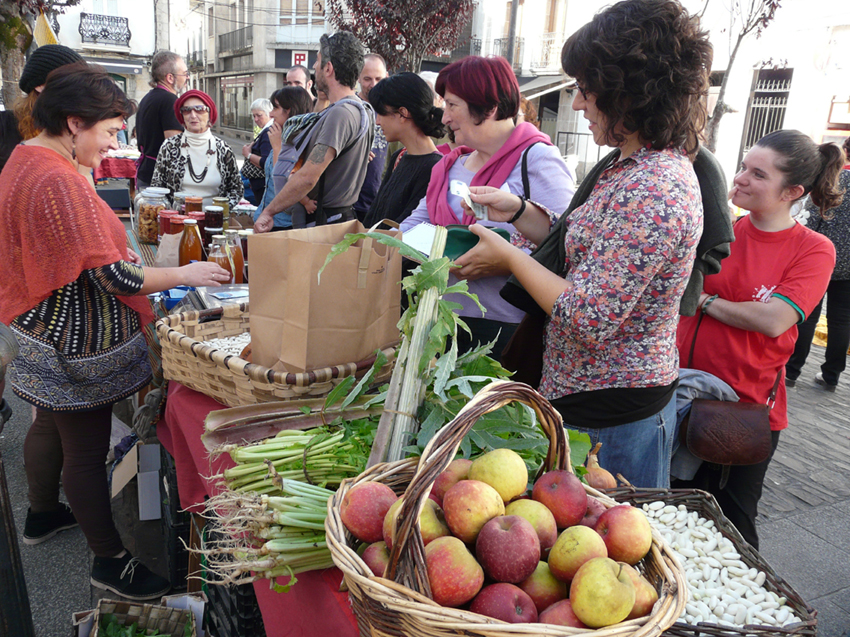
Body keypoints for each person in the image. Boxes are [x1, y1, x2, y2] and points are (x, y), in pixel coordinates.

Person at [458, 0, 713, 489]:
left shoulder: (654, 185)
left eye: (585, 90)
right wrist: (516, 211)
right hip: (585, 397)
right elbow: (590, 246)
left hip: (611, 416)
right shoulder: (626, 164)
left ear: (628, 92)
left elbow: (587, 318)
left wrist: (509, 255)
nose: (576, 104)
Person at [0, 63, 230, 600]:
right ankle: (110, 560)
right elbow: (115, 274)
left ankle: (46, 516)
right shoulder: (57, 178)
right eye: (107, 133)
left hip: (40, 330)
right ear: (74, 122)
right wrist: (186, 273)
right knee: (82, 452)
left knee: (61, 433)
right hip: (70, 342)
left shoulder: (27, 157)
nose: (112, 146)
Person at [674, 129, 842, 549]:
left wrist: (704, 301)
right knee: (672, 513)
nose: (741, 178)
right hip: (678, 394)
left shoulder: (814, 249)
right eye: (744, 167)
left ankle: (755, 613)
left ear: (793, 191)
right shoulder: (721, 230)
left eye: (758, 174)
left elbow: (774, 320)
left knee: (733, 526)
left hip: (744, 410)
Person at [400, 55, 575, 356]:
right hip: (441, 321)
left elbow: (568, 246)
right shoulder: (449, 165)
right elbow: (415, 227)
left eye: (452, 105)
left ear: (490, 108)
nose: (444, 118)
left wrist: (505, 259)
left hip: (506, 329)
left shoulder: (537, 160)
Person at [254, 31, 375, 231]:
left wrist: (269, 211)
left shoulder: (341, 114)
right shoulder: (361, 109)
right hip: (332, 222)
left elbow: (308, 177)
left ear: (328, 68)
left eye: (317, 61)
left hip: (324, 226)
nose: (314, 67)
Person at [785, 136, 850, 392]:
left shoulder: (835, 179)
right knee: (841, 320)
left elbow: (813, 217)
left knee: (807, 314)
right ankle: (831, 376)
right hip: (849, 266)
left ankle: (791, 371)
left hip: (820, 257)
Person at [362, 73, 445, 227]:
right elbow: (376, 212)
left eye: (381, 113)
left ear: (403, 113)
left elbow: (407, 226)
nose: (377, 121)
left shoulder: (435, 168)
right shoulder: (399, 156)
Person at [150, 89, 243, 209]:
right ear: (182, 116)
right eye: (186, 110)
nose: (193, 115)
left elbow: (236, 189)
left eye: (199, 109)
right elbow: (157, 186)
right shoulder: (169, 146)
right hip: (178, 220)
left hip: (214, 221)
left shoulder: (223, 149)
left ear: (210, 114)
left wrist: (220, 211)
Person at [255, 86, 315, 230]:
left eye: (275, 108)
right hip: (266, 220)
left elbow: (283, 181)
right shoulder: (281, 135)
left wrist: (277, 148)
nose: (271, 113)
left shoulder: (300, 142)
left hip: (282, 225)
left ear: (288, 110)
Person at [135, 51, 188, 191]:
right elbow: (173, 147)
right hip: (160, 180)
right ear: (170, 78)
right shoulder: (170, 101)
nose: (187, 78)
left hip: (146, 172)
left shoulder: (148, 97)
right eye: (184, 74)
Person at [353, 53, 389, 221]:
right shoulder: (349, 108)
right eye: (367, 79)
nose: (373, 85)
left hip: (382, 203)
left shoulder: (395, 110)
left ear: (387, 77)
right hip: (351, 202)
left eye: (378, 79)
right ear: (358, 77)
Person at [241, 98, 274, 205]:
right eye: (254, 116)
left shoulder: (268, 133)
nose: (256, 119)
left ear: (270, 113)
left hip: (263, 187)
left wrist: (248, 155)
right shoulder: (267, 131)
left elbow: (266, 163)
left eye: (259, 115)